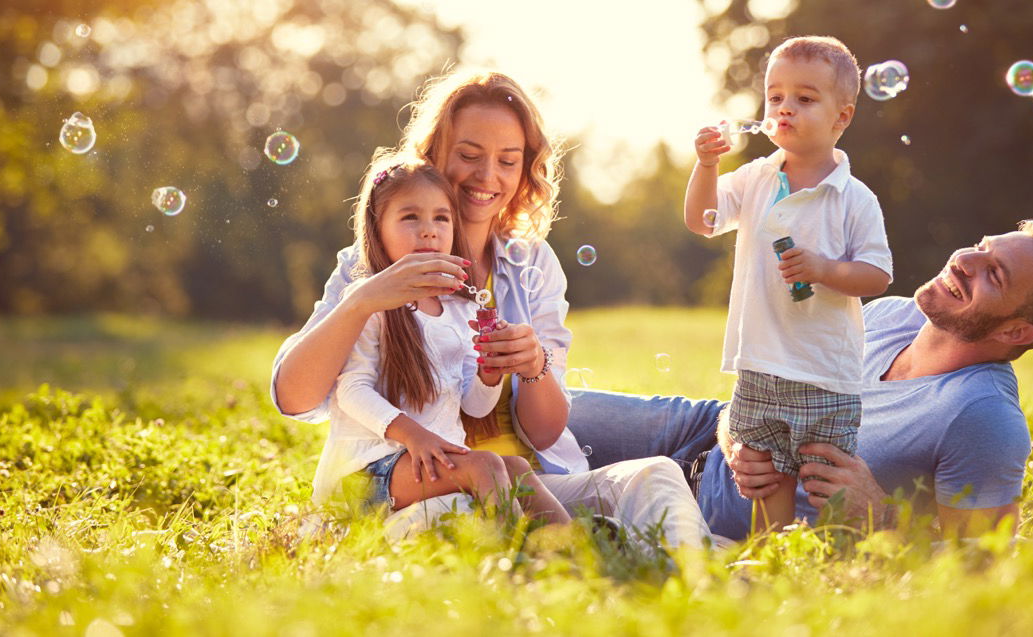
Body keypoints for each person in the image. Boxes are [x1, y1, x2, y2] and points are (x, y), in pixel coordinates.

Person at [271, 68, 711, 547]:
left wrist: (531, 365)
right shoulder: (373, 264)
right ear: (434, 154)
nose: (487, 177)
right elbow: (295, 399)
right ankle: (575, 561)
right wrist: (361, 300)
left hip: (530, 482)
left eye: (508, 160)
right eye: (469, 155)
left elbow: (541, 433)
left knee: (657, 476)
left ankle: (697, 584)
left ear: (526, 168)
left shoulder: (532, 263)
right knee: (473, 526)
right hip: (420, 488)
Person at [566, 219, 1033, 540]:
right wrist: (734, 429)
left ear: (1017, 330)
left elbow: (980, 567)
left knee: (529, 495)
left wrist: (882, 515)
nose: (964, 261)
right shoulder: (890, 315)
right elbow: (774, 380)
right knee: (532, 407)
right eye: (981, 246)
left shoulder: (984, 417)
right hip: (702, 430)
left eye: (993, 274)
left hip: (719, 511)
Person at [684, 35, 892, 530]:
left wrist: (824, 270)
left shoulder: (853, 199)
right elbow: (703, 219)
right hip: (759, 361)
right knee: (765, 474)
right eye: (775, 97)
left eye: (804, 98)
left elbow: (878, 275)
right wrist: (707, 165)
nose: (785, 108)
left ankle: (839, 555)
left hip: (824, 370)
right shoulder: (757, 177)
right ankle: (774, 555)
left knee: (825, 477)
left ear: (842, 117)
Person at [330, 156, 567, 524]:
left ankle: (577, 547)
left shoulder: (460, 309)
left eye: (441, 218)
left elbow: (474, 407)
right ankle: (515, 554)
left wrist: (490, 373)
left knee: (517, 467)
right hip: (371, 470)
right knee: (486, 464)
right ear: (377, 229)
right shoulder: (369, 301)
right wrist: (414, 436)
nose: (429, 230)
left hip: (434, 462)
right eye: (411, 217)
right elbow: (350, 390)